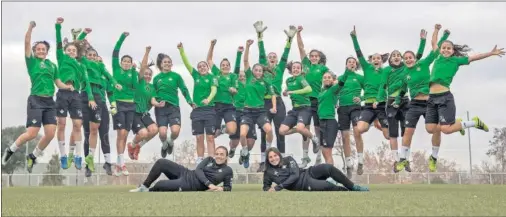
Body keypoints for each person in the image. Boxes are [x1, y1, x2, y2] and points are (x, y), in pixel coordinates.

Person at [425, 24, 504, 169]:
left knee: (446, 130)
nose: (446, 50)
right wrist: (436, 30)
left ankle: (473, 123)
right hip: (431, 99)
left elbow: (474, 58)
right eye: (444, 48)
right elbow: (434, 42)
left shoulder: (456, 61)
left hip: (444, 98)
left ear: (453, 51)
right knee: (431, 129)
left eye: (449, 48)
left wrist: (490, 53)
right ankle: (457, 123)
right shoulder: (437, 56)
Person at [2, 21, 71, 172]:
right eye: (38, 49)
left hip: (49, 102)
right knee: (32, 134)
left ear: (47, 51)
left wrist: (67, 86)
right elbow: (26, 43)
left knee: (51, 134)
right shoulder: (31, 62)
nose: (41, 51)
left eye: (43, 49)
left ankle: (32, 156)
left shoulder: (52, 66)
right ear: (34, 51)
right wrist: (30, 28)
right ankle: (11, 150)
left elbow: (58, 82)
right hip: (36, 100)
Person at [395, 25, 450, 173]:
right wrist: (396, 100)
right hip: (414, 104)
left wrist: (442, 36)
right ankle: (403, 159)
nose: (408, 60)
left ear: (414, 58)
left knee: (436, 129)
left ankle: (434, 157)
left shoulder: (424, 63)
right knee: (408, 131)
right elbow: (402, 88)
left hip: (430, 102)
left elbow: (436, 50)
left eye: (410, 57)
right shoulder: (404, 73)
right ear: (403, 60)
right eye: (405, 58)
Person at [376, 29, 427, 171]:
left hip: (405, 101)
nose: (397, 57)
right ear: (391, 59)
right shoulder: (386, 70)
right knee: (393, 133)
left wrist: (422, 41)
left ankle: (405, 159)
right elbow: (382, 86)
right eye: (394, 56)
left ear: (402, 58)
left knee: (406, 132)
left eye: (399, 55)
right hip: (391, 102)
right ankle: (396, 160)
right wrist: (379, 100)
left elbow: (418, 56)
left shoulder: (406, 67)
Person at [253, 21, 296, 172]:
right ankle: (264, 161)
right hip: (263, 102)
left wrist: (290, 40)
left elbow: (286, 54)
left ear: (277, 61)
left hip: (277, 101)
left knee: (280, 131)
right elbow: (261, 52)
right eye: (270, 57)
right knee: (265, 131)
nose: (271, 58)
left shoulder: (279, 69)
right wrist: (260, 36)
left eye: (274, 57)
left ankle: (282, 160)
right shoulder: (263, 68)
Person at [54, 17, 95, 171]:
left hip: (76, 95)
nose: (71, 51)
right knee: (62, 124)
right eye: (68, 49)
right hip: (63, 94)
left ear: (77, 53)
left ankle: (78, 156)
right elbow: (59, 43)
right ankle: (63, 155)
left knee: (78, 124)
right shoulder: (62, 58)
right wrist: (58, 27)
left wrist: (90, 97)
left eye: (73, 50)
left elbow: (87, 83)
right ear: (65, 51)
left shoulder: (81, 65)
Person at [350, 26, 391, 166]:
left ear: (382, 61)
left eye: (378, 58)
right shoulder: (367, 69)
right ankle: (372, 122)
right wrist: (354, 38)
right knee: (359, 129)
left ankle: (378, 123)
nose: (376, 60)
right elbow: (359, 54)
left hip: (381, 105)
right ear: (370, 61)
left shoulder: (386, 71)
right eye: (373, 58)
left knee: (387, 136)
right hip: (368, 105)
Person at [178, 42, 218, 164]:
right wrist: (181, 50)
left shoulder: (212, 77)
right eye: (199, 66)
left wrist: (208, 99)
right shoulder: (196, 75)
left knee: (210, 137)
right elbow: (186, 64)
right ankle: (200, 159)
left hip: (209, 110)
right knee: (199, 137)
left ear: (207, 67)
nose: (201, 68)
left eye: (204, 66)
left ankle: (211, 160)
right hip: (197, 111)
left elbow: (214, 90)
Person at [129, 146, 233, 192]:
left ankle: (150, 190)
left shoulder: (228, 171)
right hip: (186, 172)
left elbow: (228, 187)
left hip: (189, 185)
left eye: (222, 154)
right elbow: (198, 170)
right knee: (162, 162)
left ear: (226, 157)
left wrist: (221, 188)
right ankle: (144, 187)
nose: (219, 156)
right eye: (217, 154)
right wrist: (209, 184)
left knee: (160, 184)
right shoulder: (209, 159)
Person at [240, 39, 277, 168]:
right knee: (242, 134)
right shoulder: (249, 76)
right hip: (247, 111)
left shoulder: (266, 82)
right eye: (256, 70)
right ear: (253, 71)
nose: (257, 72)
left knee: (269, 130)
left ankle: (267, 149)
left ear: (263, 72)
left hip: (260, 111)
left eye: (260, 70)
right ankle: (244, 151)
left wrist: (274, 107)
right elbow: (245, 61)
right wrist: (247, 46)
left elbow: (273, 95)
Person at [262, 147, 368, 192]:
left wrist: (278, 187)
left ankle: (353, 187)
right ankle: (346, 191)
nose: (273, 158)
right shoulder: (268, 172)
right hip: (304, 184)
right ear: (268, 159)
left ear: (279, 155)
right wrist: (268, 190)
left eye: (275, 155)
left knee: (328, 167)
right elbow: (266, 187)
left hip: (308, 172)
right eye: (270, 157)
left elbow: (295, 175)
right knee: (328, 186)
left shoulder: (288, 159)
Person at [152, 50, 194, 159]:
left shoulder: (176, 76)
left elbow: (184, 89)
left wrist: (190, 101)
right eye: (165, 62)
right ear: (161, 64)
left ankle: (170, 142)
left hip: (173, 107)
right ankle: (164, 144)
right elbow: (152, 95)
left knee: (175, 131)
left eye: (169, 62)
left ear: (171, 64)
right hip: (161, 109)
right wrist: (155, 103)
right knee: (162, 133)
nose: (167, 64)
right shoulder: (156, 79)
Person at [295, 25, 327, 166]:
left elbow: (332, 80)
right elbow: (301, 48)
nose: (313, 57)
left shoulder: (323, 68)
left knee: (318, 129)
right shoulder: (305, 65)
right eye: (312, 56)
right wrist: (298, 33)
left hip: (318, 101)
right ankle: (305, 157)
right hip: (305, 102)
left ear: (319, 58)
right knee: (305, 130)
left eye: (316, 56)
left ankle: (319, 156)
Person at [278, 61, 319, 168]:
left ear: (301, 70)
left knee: (301, 128)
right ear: (291, 70)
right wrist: (285, 92)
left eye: (298, 68)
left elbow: (308, 89)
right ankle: (301, 130)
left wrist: (293, 92)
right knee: (282, 131)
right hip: (294, 110)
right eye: (294, 68)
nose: (296, 69)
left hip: (305, 108)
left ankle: (314, 139)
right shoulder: (288, 80)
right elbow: (288, 90)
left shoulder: (301, 79)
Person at [111, 32, 139, 176]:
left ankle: (119, 163)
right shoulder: (116, 69)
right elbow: (115, 52)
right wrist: (122, 37)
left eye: (129, 61)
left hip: (130, 105)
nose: (126, 63)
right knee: (120, 133)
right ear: (121, 63)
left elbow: (135, 86)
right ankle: (121, 162)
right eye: (124, 61)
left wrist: (134, 70)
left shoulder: (132, 72)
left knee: (125, 134)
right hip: (118, 104)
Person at [127, 46, 161, 161]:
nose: (147, 76)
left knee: (155, 130)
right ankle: (131, 145)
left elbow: (152, 100)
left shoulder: (152, 88)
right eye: (146, 74)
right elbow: (143, 67)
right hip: (134, 112)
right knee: (143, 133)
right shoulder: (139, 82)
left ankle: (138, 147)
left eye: (149, 74)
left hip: (144, 113)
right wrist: (147, 52)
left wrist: (158, 104)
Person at [337, 57, 365, 178]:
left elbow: (369, 90)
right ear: (346, 64)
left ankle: (360, 161)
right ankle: (348, 165)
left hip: (355, 107)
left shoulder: (359, 77)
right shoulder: (340, 78)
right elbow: (334, 91)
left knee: (357, 131)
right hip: (342, 108)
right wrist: (335, 102)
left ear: (356, 65)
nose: (351, 63)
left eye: (354, 62)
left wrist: (362, 98)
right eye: (349, 62)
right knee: (344, 136)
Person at [229, 46, 258, 158]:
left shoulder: (251, 85)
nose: (241, 77)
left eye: (243, 76)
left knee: (250, 141)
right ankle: (232, 148)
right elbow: (236, 69)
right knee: (235, 140)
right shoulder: (235, 85)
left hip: (249, 113)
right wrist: (239, 54)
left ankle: (243, 153)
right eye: (239, 76)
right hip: (237, 112)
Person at [318, 71, 352, 166]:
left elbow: (341, 83)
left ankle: (331, 176)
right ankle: (329, 172)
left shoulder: (333, 90)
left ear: (333, 80)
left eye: (329, 77)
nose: (326, 79)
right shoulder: (321, 91)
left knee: (328, 151)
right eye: (325, 77)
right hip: (322, 122)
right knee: (324, 151)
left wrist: (346, 70)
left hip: (329, 122)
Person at [207, 39, 238, 139]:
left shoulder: (233, 76)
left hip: (228, 106)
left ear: (229, 66)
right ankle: (217, 130)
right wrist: (212, 46)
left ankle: (223, 129)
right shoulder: (217, 73)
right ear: (220, 67)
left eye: (227, 65)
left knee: (232, 130)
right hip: (216, 106)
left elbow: (236, 89)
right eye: (223, 65)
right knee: (213, 135)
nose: (225, 66)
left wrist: (233, 90)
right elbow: (209, 60)